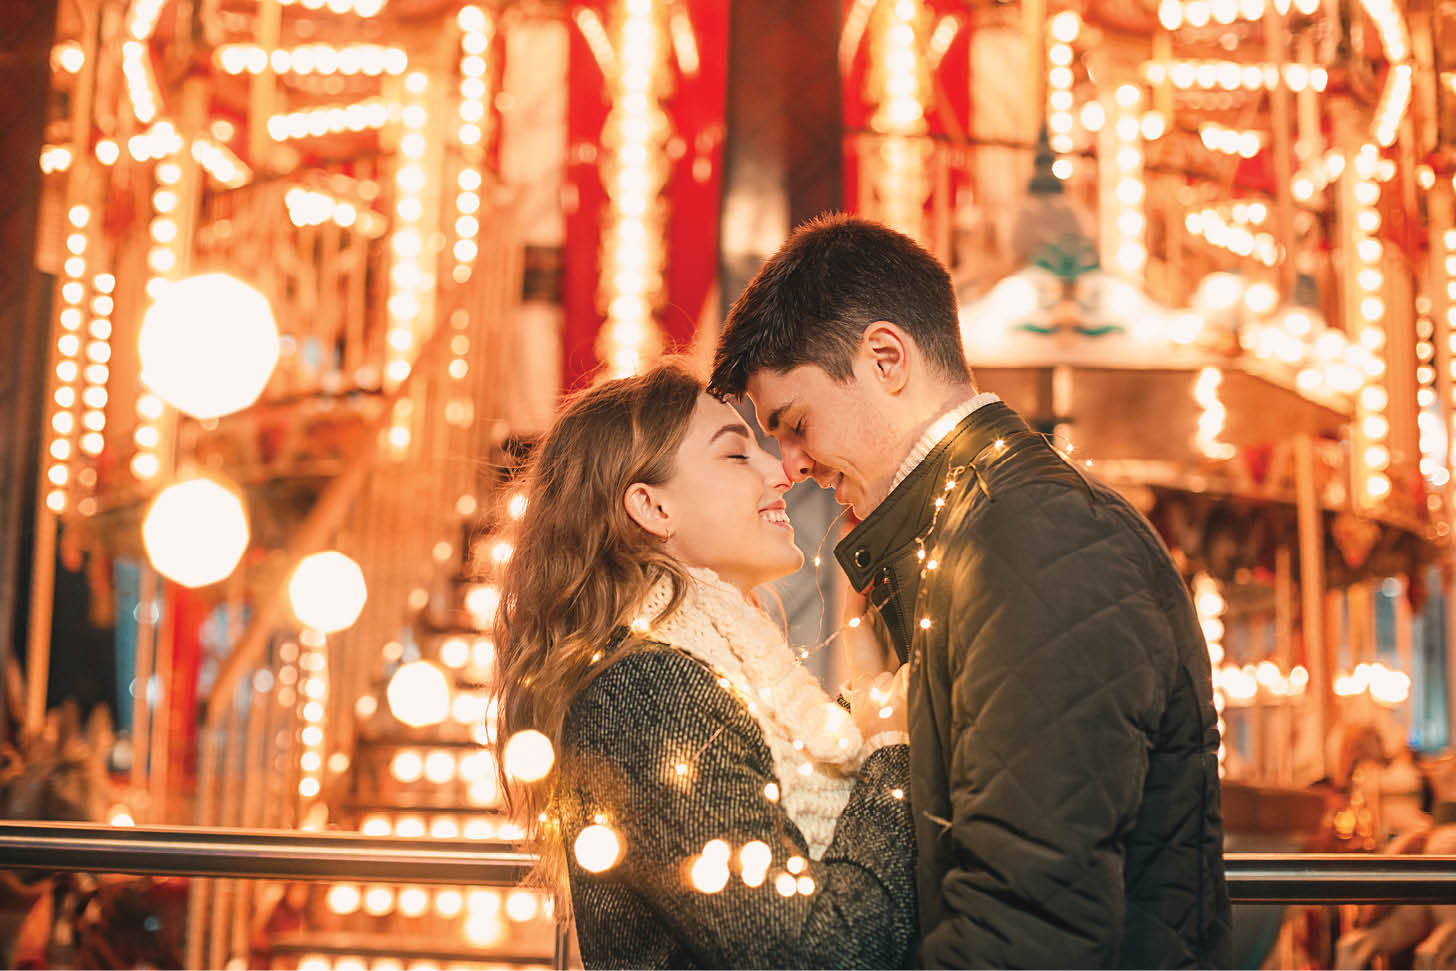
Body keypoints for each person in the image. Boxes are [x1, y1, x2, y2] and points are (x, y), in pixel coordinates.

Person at [709, 213, 1233, 968]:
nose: (792, 467)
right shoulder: (981, 530)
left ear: (887, 358)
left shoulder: (1031, 536)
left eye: (795, 423)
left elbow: (1029, 925)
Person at [493, 362, 917, 969]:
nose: (780, 471)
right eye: (736, 456)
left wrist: (866, 677)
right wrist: (888, 758)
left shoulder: (708, 665)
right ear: (652, 507)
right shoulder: (646, 691)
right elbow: (820, 955)